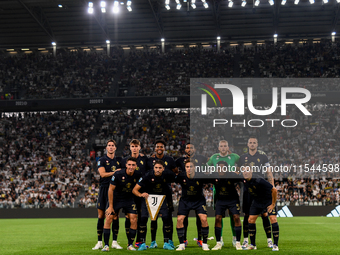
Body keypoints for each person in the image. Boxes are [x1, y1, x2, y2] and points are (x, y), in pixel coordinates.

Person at [238, 137, 274, 249]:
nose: (252, 144)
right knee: (247, 215)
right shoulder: (242, 157)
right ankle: (245, 240)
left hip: (261, 190)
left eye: (254, 143)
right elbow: (238, 173)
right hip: (247, 190)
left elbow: (268, 172)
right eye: (250, 143)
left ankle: (269, 240)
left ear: (257, 144)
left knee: (264, 215)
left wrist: (272, 185)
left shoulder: (263, 156)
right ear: (247, 144)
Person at [132, 160, 177, 251]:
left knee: (166, 218)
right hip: (148, 200)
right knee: (143, 219)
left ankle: (166, 243)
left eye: (160, 168)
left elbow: (179, 179)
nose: (158, 170)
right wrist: (141, 195)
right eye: (156, 167)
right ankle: (143, 243)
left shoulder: (168, 174)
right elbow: (134, 190)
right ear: (153, 168)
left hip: (162, 199)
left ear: (163, 169)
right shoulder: (147, 175)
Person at [102, 157, 142, 251]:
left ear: (136, 166)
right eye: (129, 165)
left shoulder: (138, 175)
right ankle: (106, 245)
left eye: (133, 165)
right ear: (126, 165)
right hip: (116, 199)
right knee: (108, 218)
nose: (131, 167)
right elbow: (110, 189)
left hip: (129, 199)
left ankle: (130, 245)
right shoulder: (118, 174)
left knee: (134, 219)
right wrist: (111, 206)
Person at [206, 140, 240, 247]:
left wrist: (238, 171)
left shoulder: (234, 157)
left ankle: (235, 238)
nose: (223, 148)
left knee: (233, 215)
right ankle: (219, 239)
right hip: (218, 191)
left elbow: (243, 164)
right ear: (218, 147)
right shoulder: (214, 157)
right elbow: (206, 166)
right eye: (221, 146)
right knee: (219, 216)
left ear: (228, 147)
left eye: (225, 146)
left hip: (231, 188)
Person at [146, 140, 178, 249]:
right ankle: (153, 242)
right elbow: (146, 173)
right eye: (157, 146)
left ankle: (169, 241)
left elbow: (175, 172)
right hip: (153, 194)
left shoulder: (169, 160)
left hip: (166, 193)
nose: (159, 148)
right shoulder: (149, 160)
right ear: (155, 148)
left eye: (161, 146)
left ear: (164, 148)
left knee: (168, 217)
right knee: (153, 218)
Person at [241, 164, 279, 251]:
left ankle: (275, 245)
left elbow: (274, 190)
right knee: (250, 220)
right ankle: (253, 244)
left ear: (251, 171)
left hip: (268, 201)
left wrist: (273, 204)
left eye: (247, 170)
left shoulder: (259, 180)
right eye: (244, 171)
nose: (245, 172)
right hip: (257, 202)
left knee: (273, 219)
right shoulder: (244, 180)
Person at [176, 143, 207, 247]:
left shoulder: (201, 160)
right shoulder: (180, 162)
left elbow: (210, 165)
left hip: (198, 199)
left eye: (191, 147)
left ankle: (200, 239)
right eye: (187, 148)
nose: (189, 149)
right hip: (185, 199)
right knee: (182, 219)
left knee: (201, 218)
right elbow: (171, 171)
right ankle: (183, 240)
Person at [92, 139, 121, 250]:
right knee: (101, 216)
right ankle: (99, 242)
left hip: (115, 190)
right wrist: (115, 172)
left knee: (115, 216)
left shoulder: (119, 160)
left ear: (115, 148)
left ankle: (114, 241)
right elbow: (103, 174)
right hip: (104, 189)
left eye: (113, 145)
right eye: (109, 145)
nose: (111, 147)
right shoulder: (102, 160)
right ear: (106, 148)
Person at [120, 139, 148, 248]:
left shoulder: (145, 160)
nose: (135, 148)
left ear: (139, 147)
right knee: (128, 217)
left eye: (136, 146)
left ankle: (140, 241)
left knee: (142, 217)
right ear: (130, 147)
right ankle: (129, 241)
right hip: (128, 194)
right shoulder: (124, 161)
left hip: (141, 193)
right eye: (133, 146)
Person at [211, 161, 243, 251]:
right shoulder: (214, 176)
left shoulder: (232, 175)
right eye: (219, 168)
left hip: (233, 200)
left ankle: (237, 242)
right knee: (217, 218)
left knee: (236, 217)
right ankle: (218, 243)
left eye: (223, 168)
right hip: (221, 200)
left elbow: (243, 178)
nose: (221, 169)